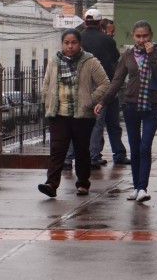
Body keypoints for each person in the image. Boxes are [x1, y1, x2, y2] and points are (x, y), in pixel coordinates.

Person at [95, 20, 157, 203]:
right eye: (138, 36)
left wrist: (151, 57)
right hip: (131, 105)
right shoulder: (127, 54)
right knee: (135, 149)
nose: (142, 40)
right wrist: (103, 101)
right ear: (133, 37)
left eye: (145, 36)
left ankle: (143, 188)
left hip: (151, 106)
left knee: (145, 147)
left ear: (151, 36)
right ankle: (136, 187)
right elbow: (117, 80)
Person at [38, 29, 110, 198]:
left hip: (82, 115)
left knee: (81, 150)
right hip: (58, 114)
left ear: (80, 44)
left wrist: (90, 100)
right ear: (62, 44)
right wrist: (47, 100)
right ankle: (51, 184)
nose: (70, 46)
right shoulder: (54, 61)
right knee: (57, 150)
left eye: (73, 43)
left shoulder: (90, 61)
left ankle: (83, 183)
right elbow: (46, 83)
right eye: (66, 43)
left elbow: (104, 84)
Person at [64, 9, 130, 169]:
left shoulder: (79, 39)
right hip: (107, 87)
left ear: (85, 22)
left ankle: (69, 158)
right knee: (111, 123)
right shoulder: (107, 41)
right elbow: (116, 59)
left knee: (83, 123)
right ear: (101, 23)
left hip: (84, 87)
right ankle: (107, 155)